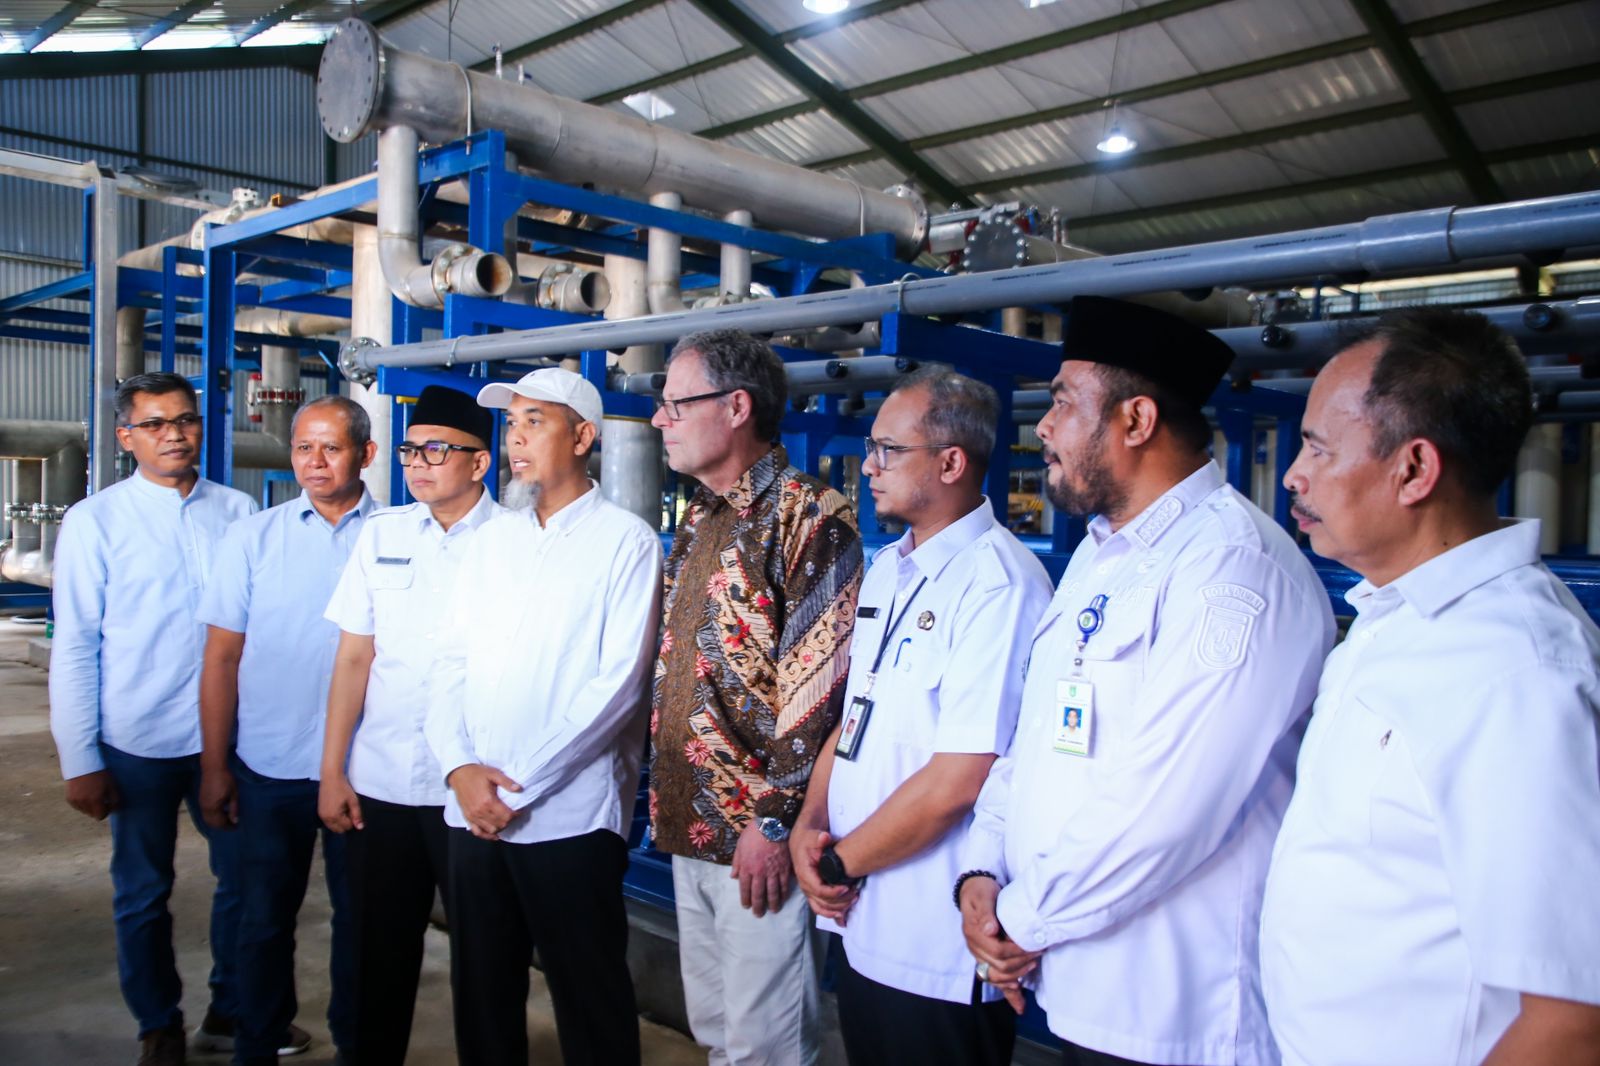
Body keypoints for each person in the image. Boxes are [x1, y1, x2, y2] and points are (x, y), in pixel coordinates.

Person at [957, 295, 1336, 1066]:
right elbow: (1036, 738)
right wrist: (982, 869)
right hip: (1078, 983)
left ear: (1135, 420)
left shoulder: (1232, 566)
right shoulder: (1101, 554)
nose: (1045, 427)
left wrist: (1019, 920)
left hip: (1177, 1016)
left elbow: (1168, 807)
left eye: (1064, 402)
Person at [1261, 308, 1600, 1064]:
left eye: (1318, 448)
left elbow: (1573, 1021)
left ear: (1414, 469)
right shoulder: (1392, 617)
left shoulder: (1519, 678)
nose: (1293, 474)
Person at [789, 369, 1052, 1066]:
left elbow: (961, 779)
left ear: (951, 462)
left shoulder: (999, 586)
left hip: (933, 942)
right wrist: (810, 824)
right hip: (862, 920)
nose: (868, 468)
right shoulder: (889, 569)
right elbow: (857, 716)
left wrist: (838, 863)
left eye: (887, 450)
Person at [424, 367, 661, 1066]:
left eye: (536, 422)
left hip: (568, 818)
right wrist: (460, 770)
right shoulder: (491, 542)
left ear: (583, 438)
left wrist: (514, 786)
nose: (516, 439)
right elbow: (450, 664)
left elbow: (617, 688)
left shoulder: (626, 542)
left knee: (589, 999)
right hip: (473, 812)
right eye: (512, 424)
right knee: (482, 994)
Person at [647, 328, 863, 1065]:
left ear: (736, 407)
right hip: (690, 822)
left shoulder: (811, 518)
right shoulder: (700, 516)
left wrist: (773, 822)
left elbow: (819, 690)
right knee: (716, 1029)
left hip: (757, 837)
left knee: (765, 1044)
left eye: (677, 404)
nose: (660, 419)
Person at [48, 373, 258, 1066]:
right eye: (155, 423)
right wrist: (80, 757)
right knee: (142, 892)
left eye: (185, 420)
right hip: (136, 740)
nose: (174, 434)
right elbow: (76, 643)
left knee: (245, 880)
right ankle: (158, 1024)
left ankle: (229, 1010)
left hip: (224, 739)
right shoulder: (96, 521)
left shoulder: (237, 510)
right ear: (126, 436)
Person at [319, 385, 502, 1065]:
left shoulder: (516, 543)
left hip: (471, 791)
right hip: (383, 783)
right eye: (410, 450)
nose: (417, 464)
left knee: (486, 961)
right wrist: (332, 770)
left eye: (436, 450)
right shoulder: (382, 535)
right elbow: (354, 659)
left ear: (479, 462)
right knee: (376, 957)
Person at [197, 395, 377, 1066]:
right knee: (262, 920)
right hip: (268, 766)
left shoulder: (396, 536)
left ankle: (358, 1046)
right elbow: (221, 658)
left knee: (363, 925)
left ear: (366, 453)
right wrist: (215, 766)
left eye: (331, 447)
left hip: (364, 771)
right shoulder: (253, 537)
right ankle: (257, 1043)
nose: (315, 461)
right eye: (304, 447)